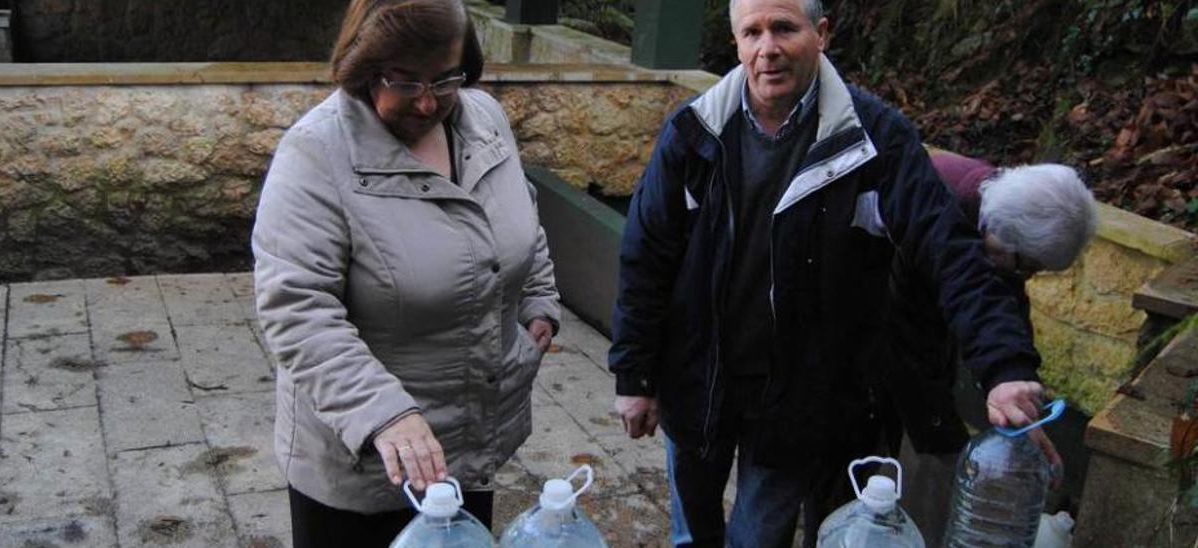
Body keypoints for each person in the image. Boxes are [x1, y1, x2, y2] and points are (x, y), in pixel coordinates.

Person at [609, 0, 1054, 546]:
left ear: (820, 34)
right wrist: (635, 375)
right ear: (736, 44)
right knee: (691, 533)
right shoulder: (693, 132)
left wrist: (1004, 365)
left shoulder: (877, 141)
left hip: (796, 396)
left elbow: (949, 250)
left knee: (757, 537)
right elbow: (645, 255)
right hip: (697, 377)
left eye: (783, 28)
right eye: (752, 33)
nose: (767, 48)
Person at [251, 1, 560, 546]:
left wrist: (538, 299)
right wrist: (384, 415)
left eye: (445, 80)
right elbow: (297, 309)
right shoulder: (316, 154)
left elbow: (521, 221)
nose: (427, 101)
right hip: (362, 466)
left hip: (468, 446)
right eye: (405, 81)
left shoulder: (484, 119)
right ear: (364, 67)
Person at [883, 148, 1098, 546]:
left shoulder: (999, 208)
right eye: (1027, 266)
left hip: (914, 352)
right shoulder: (933, 204)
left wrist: (1020, 394)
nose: (1027, 277)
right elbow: (905, 343)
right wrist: (940, 434)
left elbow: (1003, 303)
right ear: (1001, 233)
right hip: (862, 348)